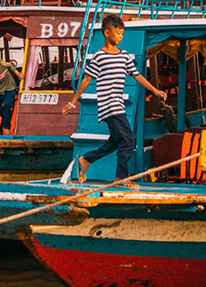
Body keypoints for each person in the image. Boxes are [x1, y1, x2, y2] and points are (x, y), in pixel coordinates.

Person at [62, 15, 167, 181]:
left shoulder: (124, 55)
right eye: (118, 33)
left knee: (116, 141)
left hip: (118, 105)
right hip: (109, 105)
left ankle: (86, 160)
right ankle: (120, 178)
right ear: (106, 33)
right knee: (127, 142)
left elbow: (137, 75)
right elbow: (87, 80)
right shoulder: (99, 56)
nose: (120, 37)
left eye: (122, 34)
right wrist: (72, 102)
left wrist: (155, 90)